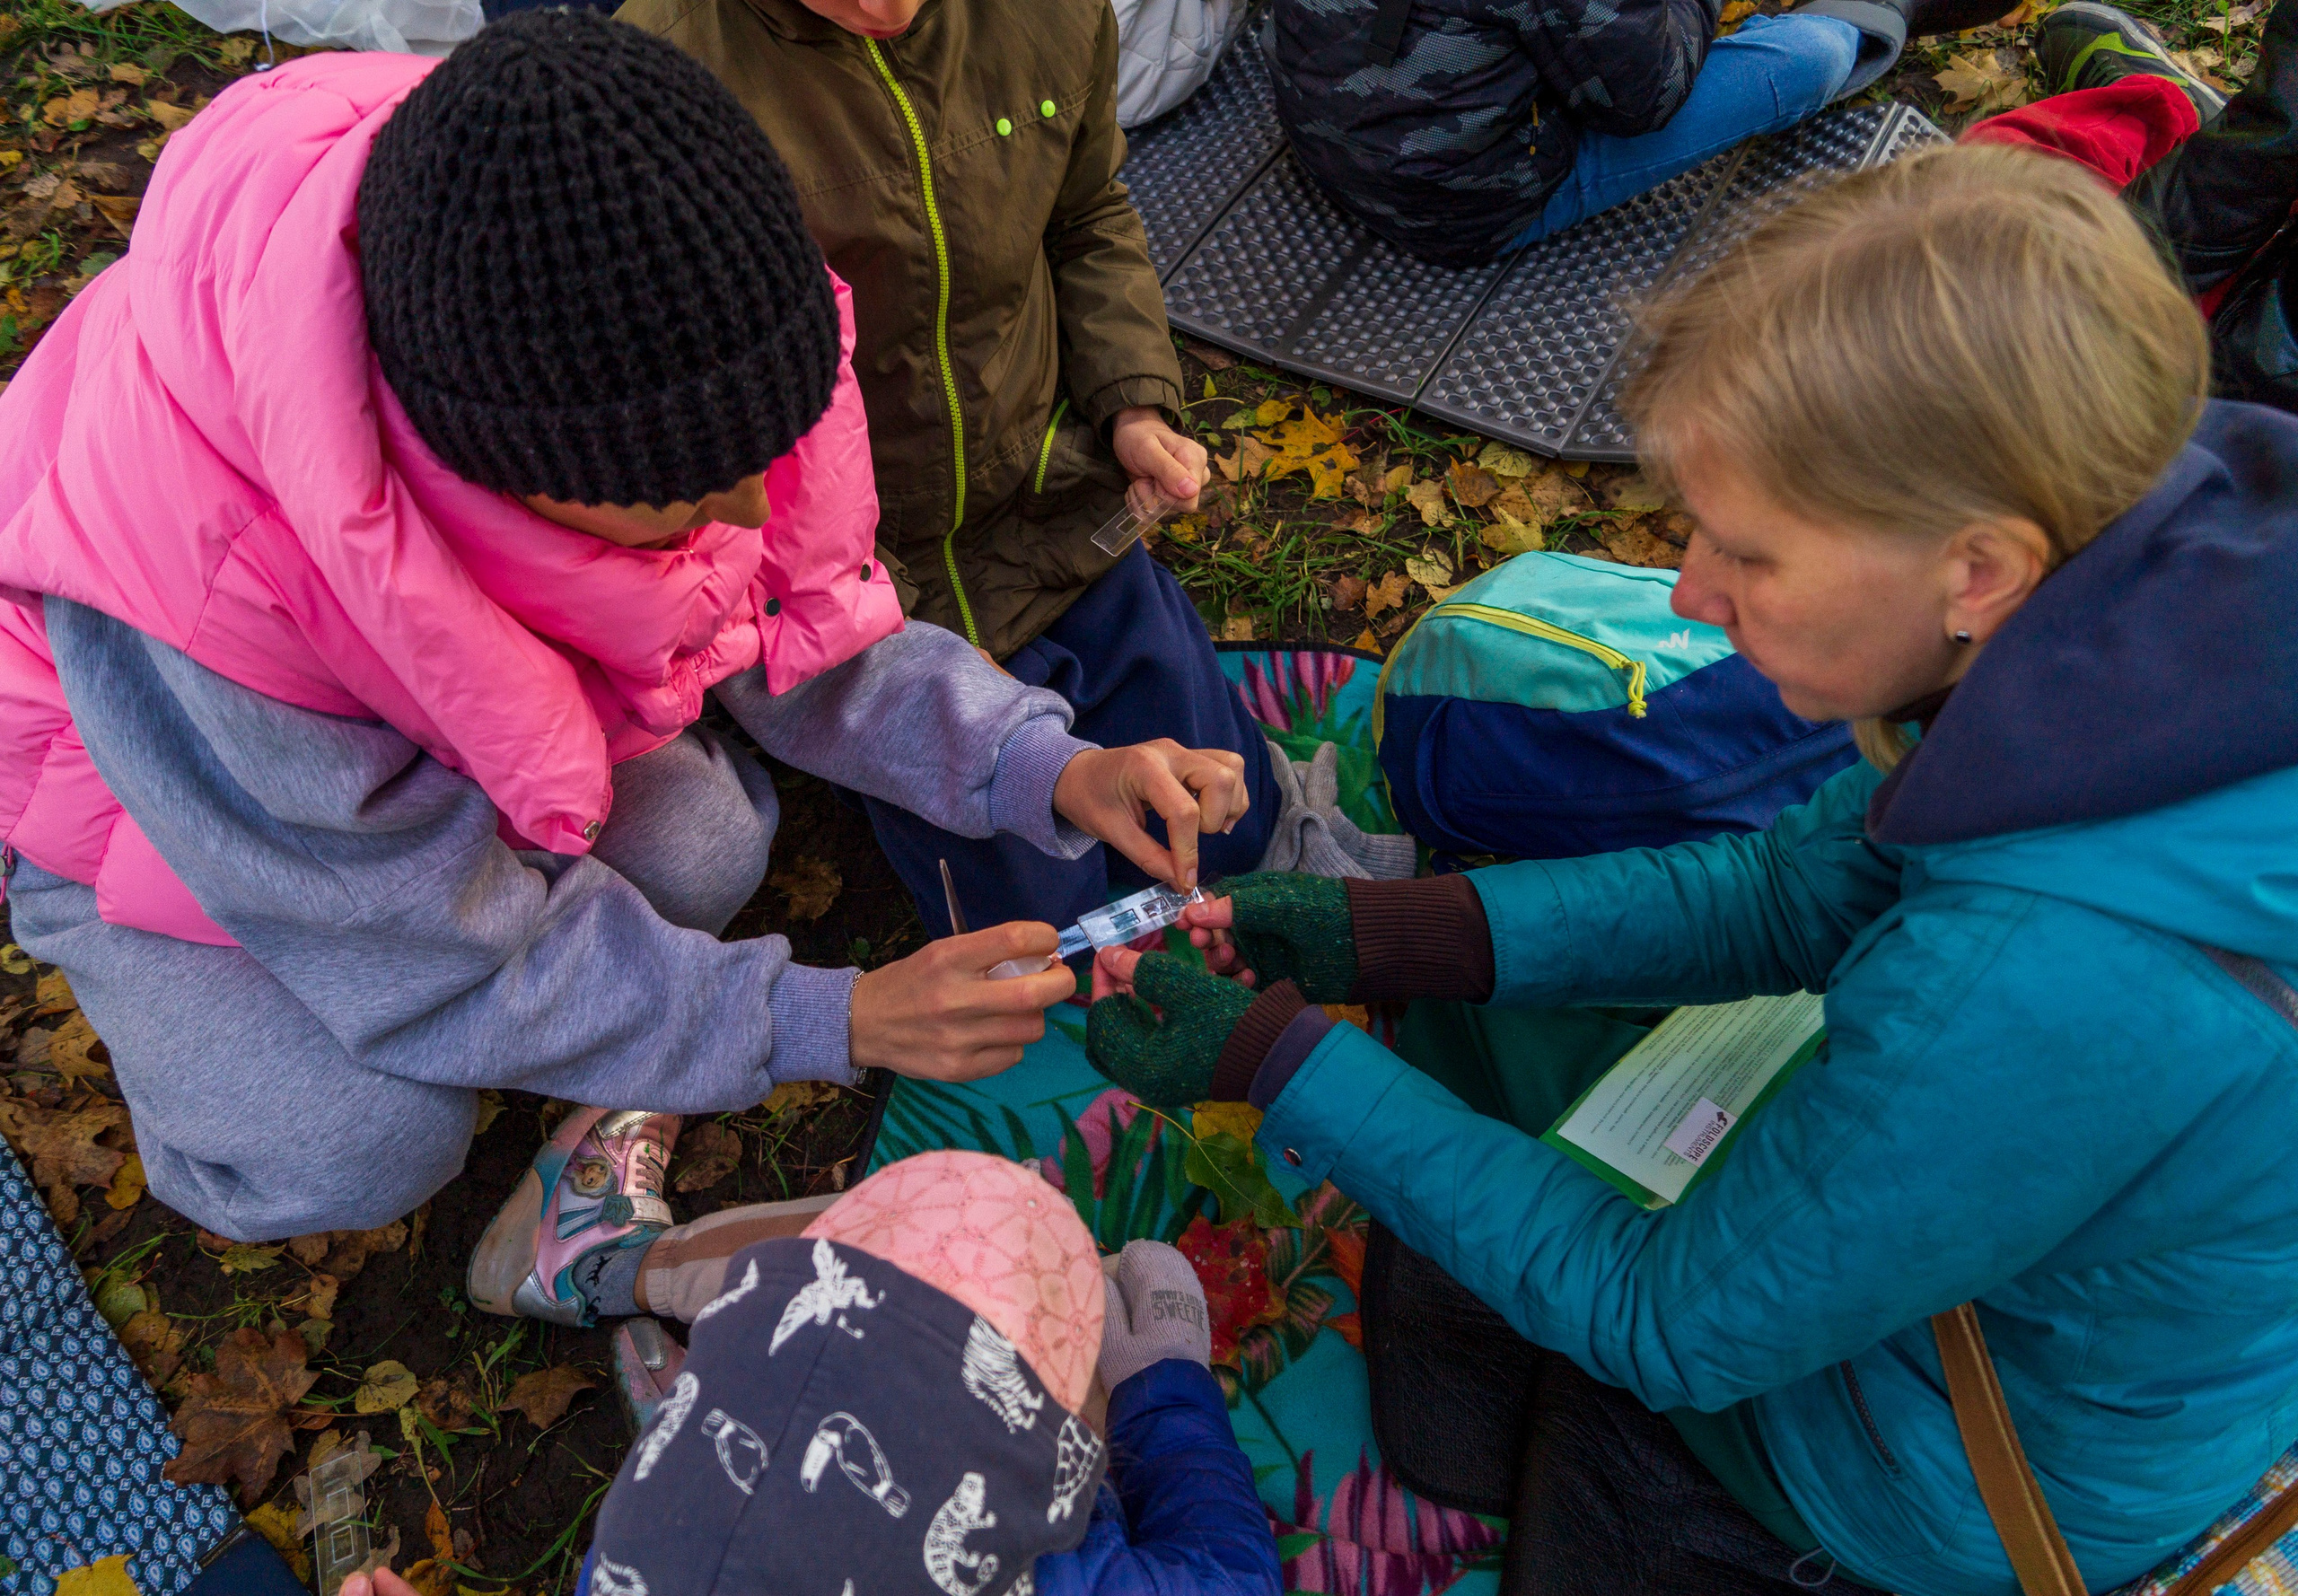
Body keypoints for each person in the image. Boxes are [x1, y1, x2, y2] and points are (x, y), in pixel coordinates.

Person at [1078, 142, 2298, 1594]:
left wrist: (1279, 1054)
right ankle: (1494, 1421)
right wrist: (1373, 935)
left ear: (1977, 569)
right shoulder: (2146, 609)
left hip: (1938, 1473)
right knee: (1492, 1022)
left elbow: (1669, 1321)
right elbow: (1789, 893)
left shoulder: (2039, 971)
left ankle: (1627, 1498)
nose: (1688, 595)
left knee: (1596, 1341)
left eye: (1750, 553)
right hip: (2036, 1254)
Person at [0, 13, 1252, 1258]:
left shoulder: (645, 332)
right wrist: (833, 1017)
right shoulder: (218, 593)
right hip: (140, 800)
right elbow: (431, 954)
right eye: (696, 500)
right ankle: (221, 1096)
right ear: (500, 476)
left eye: (765, 459)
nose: (756, 508)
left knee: (708, 846)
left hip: (405, 689)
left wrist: (1052, 768)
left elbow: (802, 632)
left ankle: (563, 988)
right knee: (359, 1135)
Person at [613, 0, 1285, 943]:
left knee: (1228, 813)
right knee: (1036, 930)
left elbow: (1087, 213)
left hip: (1052, 505)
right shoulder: (662, 75)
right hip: (864, 586)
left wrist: (1130, 403)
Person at [362, 1153, 1281, 1596]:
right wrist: (1160, 1386)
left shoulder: (645, 1563)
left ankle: (603, 1265)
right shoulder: (1063, 1576)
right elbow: (1233, 1574)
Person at [1260, 0, 2019, 268]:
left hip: (1323, 128)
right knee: (1808, 59)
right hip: (1461, 205)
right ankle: (1884, 10)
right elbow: (1645, 96)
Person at [1945, 0, 2298, 415]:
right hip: (2243, 336)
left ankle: (2164, 112)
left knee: (1984, 182)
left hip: (2203, 380)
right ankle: (2168, 122)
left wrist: (2128, 276)